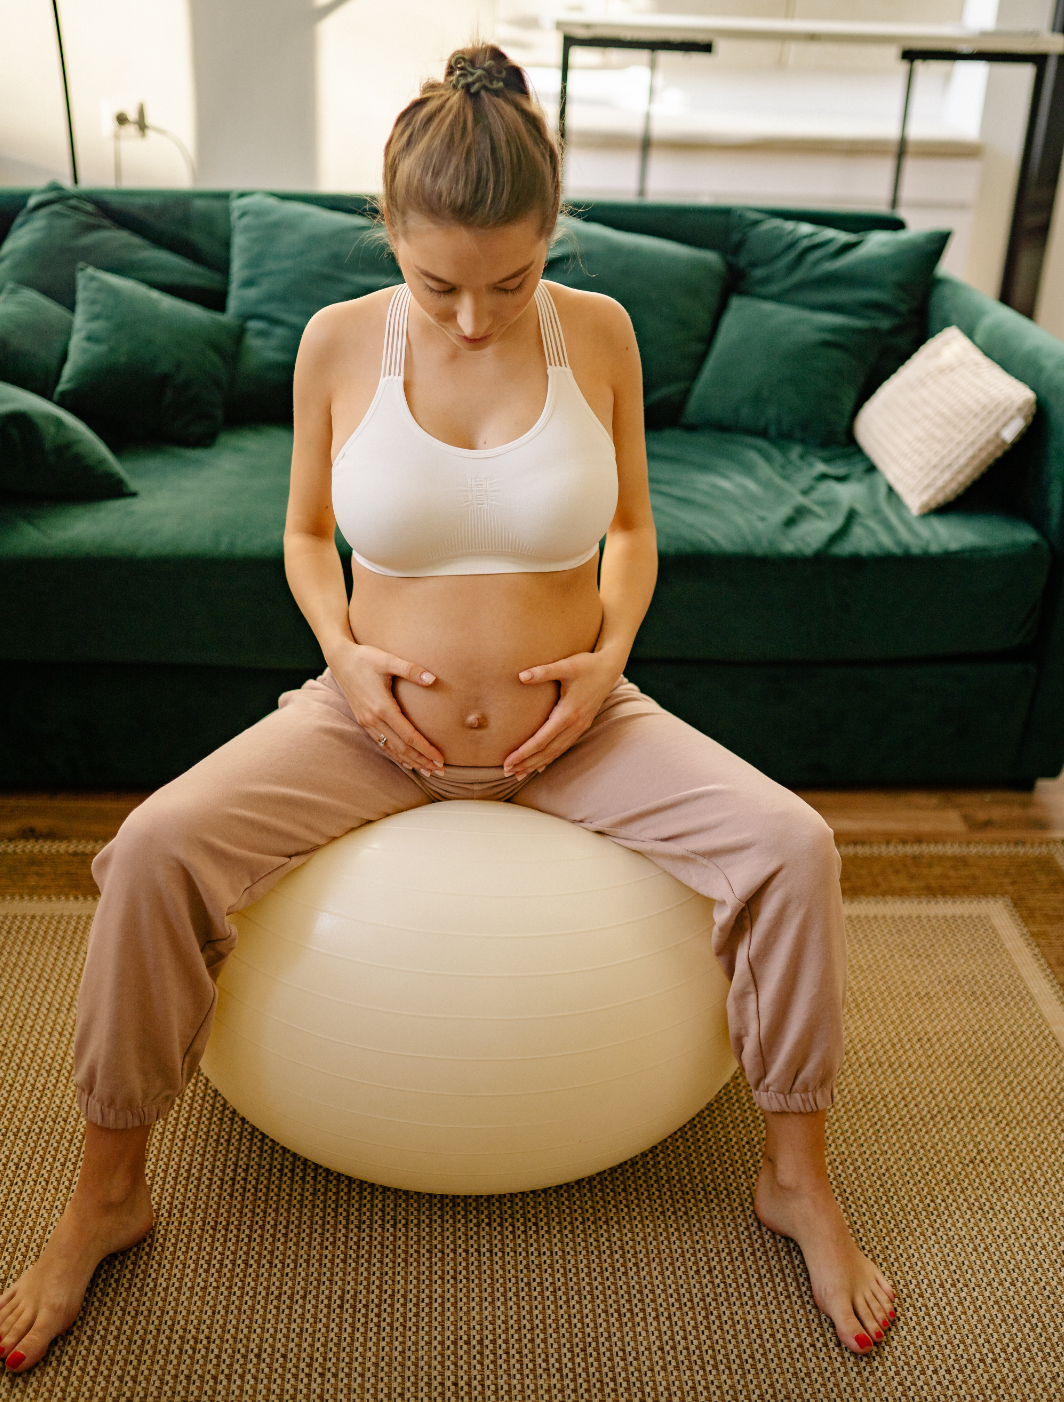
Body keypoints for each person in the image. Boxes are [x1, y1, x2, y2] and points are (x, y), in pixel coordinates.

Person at [0, 45, 895, 1375]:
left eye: (512, 279)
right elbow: (307, 534)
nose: (474, 318)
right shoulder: (335, 342)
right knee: (148, 852)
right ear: (389, 236)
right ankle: (108, 1191)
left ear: (553, 238)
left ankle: (795, 1177)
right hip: (371, 721)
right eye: (438, 283)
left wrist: (607, 657)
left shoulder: (601, 331)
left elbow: (636, 528)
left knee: (795, 848)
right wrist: (347, 658)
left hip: (580, 724)